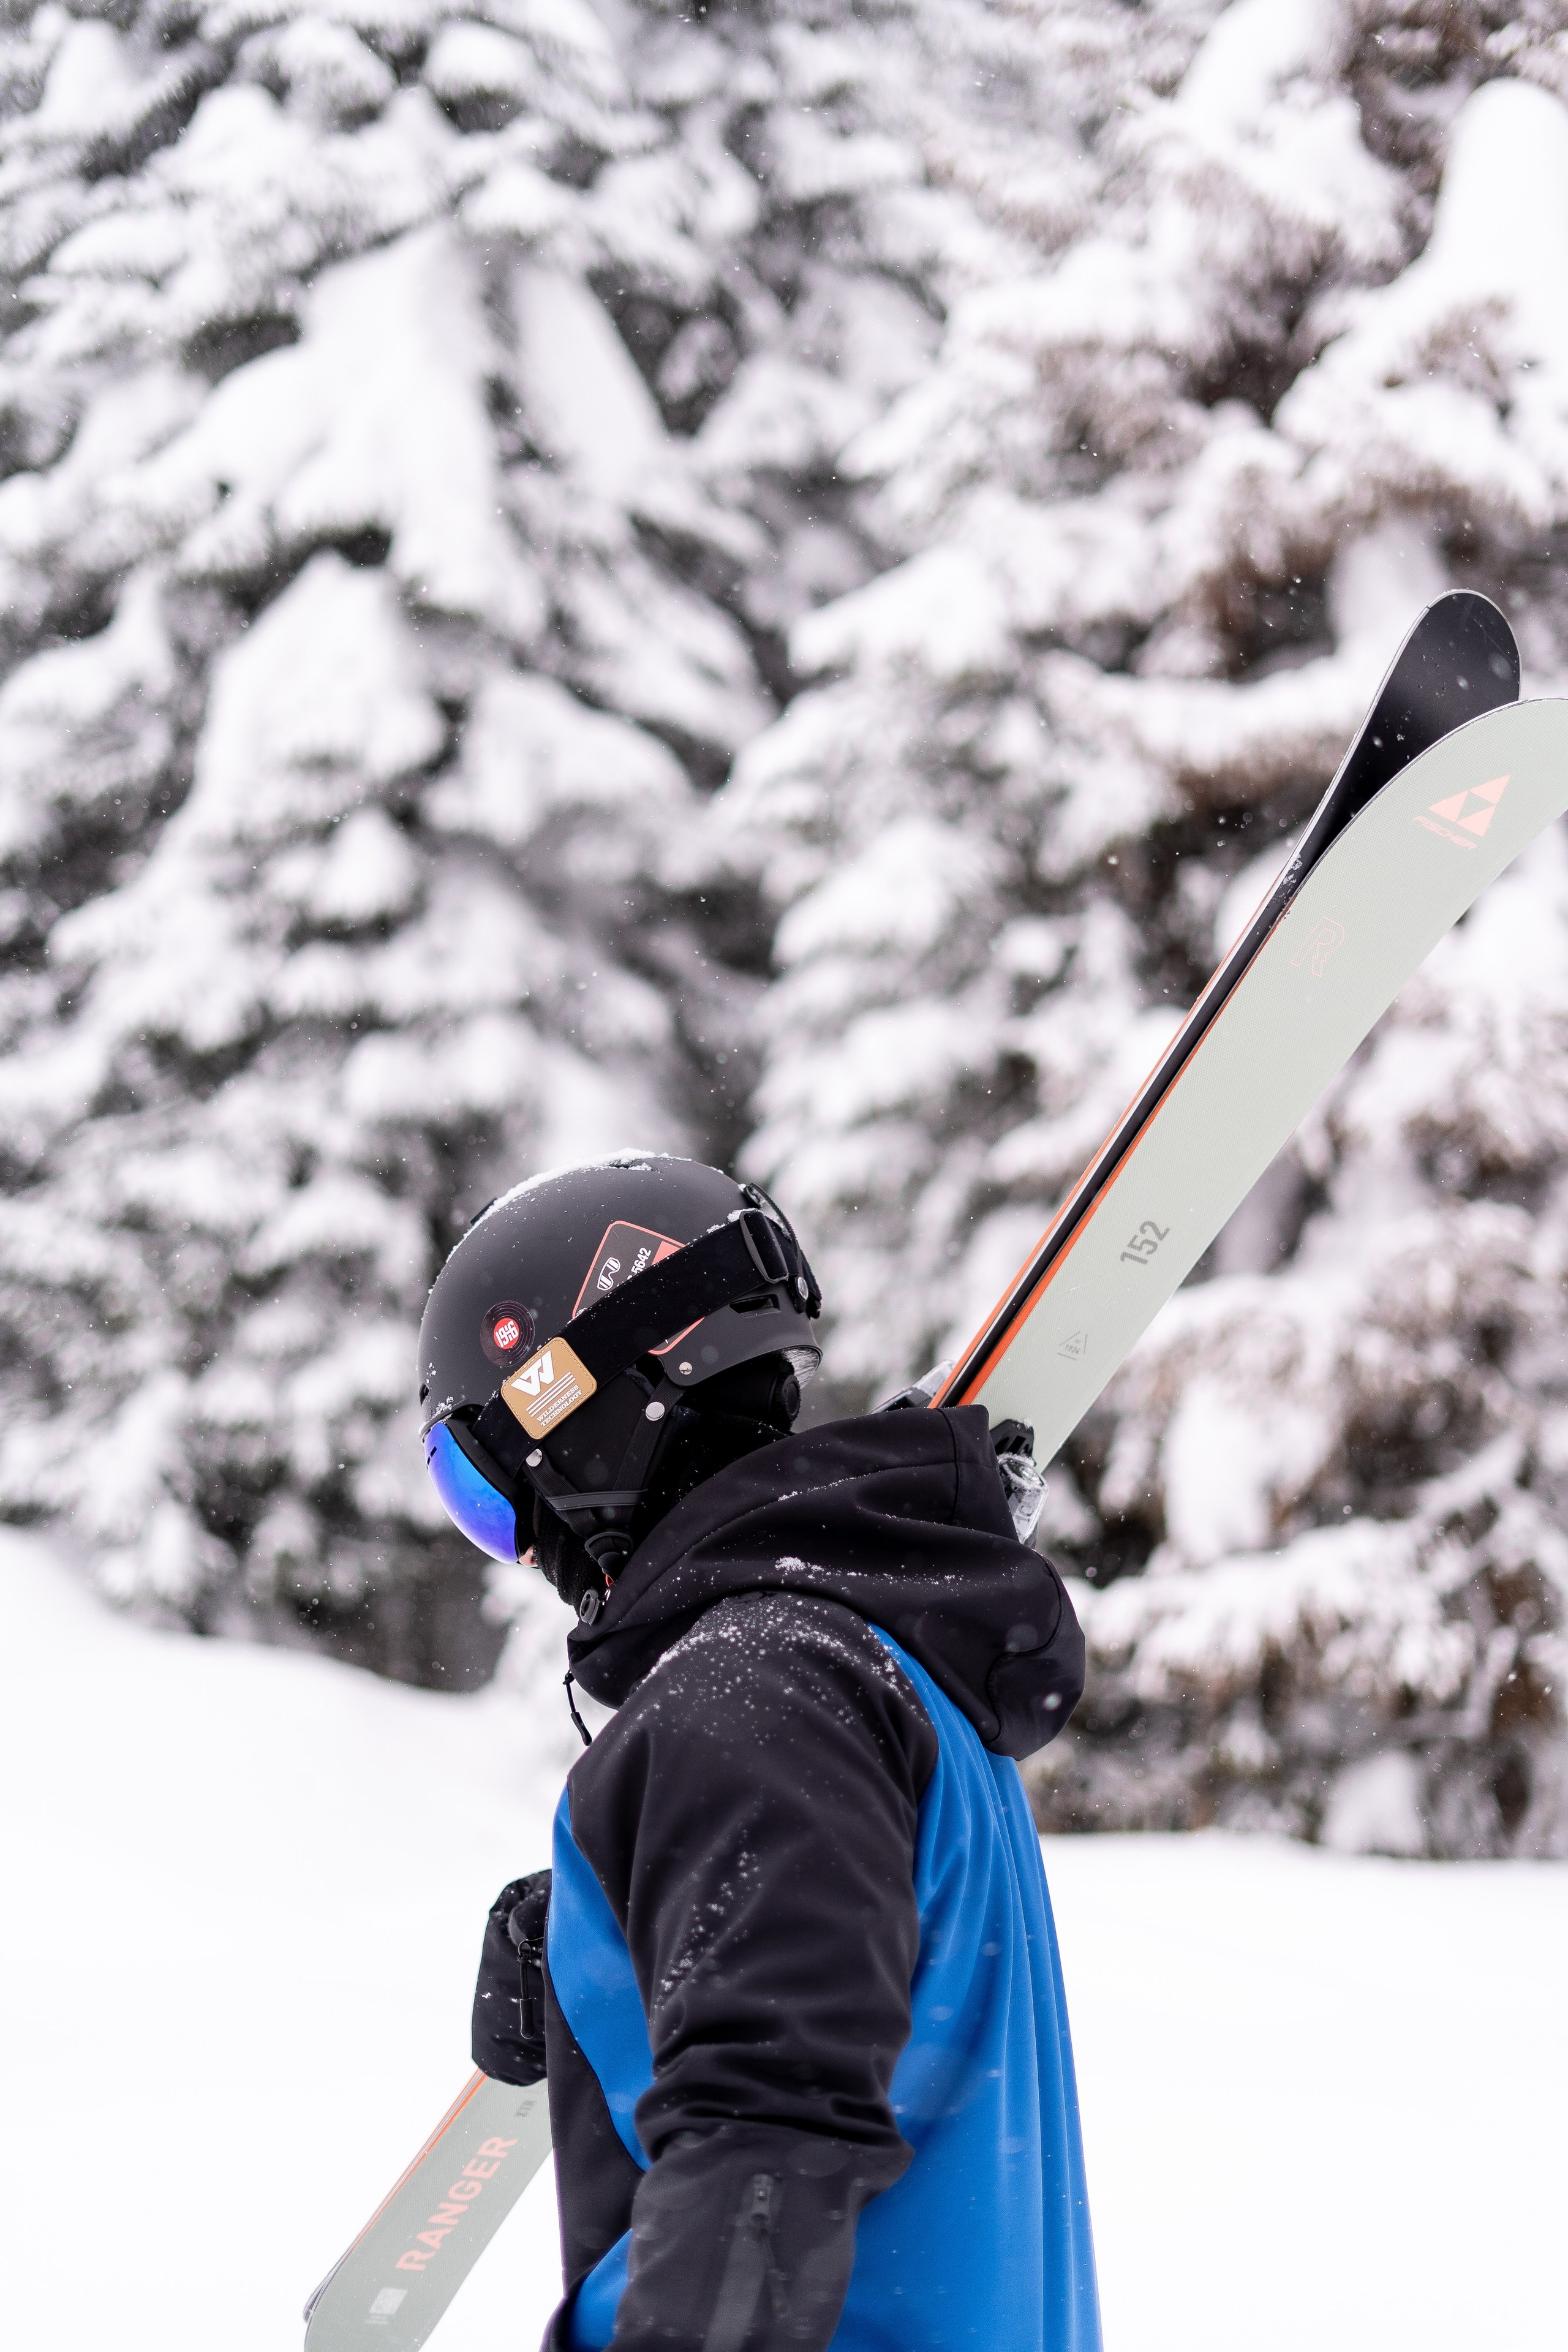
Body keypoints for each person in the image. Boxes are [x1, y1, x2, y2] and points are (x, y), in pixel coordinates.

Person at [418, 1152, 1101, 2352]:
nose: (524, 1548)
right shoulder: (885, 1671)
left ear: (574, 1413)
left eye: (488, 1491)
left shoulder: (751, 1699)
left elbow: (762, 2162)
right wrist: (615, 1937)